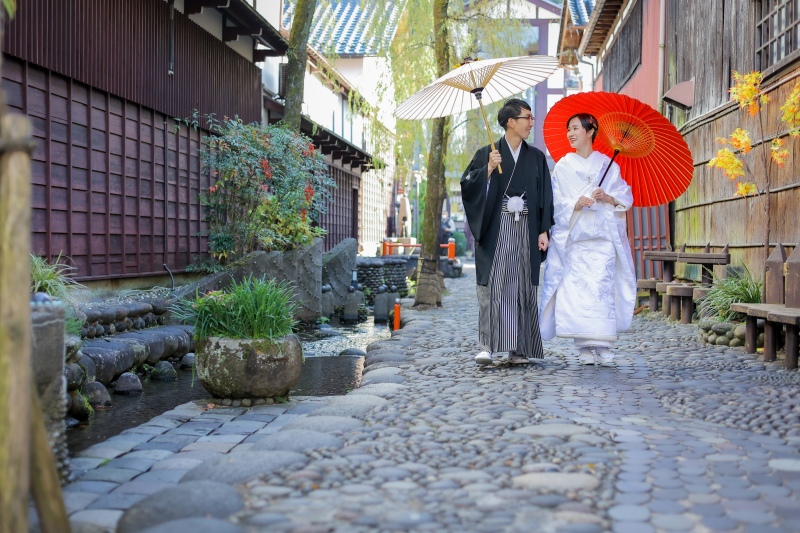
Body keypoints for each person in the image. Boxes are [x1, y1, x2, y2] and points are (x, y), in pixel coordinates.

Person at [460, 98, 554, 366]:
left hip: (526, 227)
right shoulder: (486, 153)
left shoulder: (536, 157)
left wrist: (544, 230)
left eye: (531, 118)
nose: (531, 123)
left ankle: (519, 349)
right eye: (527, 118)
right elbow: (467, 185)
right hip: (497, 228)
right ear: (510, 122)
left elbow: (546, 196)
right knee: (494, 286)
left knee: (523, 285)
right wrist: (488, 168)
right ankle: (488, 346)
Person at [539, 113, 637, 365]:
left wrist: (608, 197)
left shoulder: (608, 165)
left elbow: (624, 196)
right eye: (568, 130)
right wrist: (575, 203)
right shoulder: (562, 166)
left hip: (602, 241)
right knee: (577, 293)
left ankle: (604, 346)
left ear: (590, 131)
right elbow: (556, 202)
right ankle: (582, 346)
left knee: (601, 290)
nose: (570, 134)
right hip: (575, 241)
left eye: (575, 128)